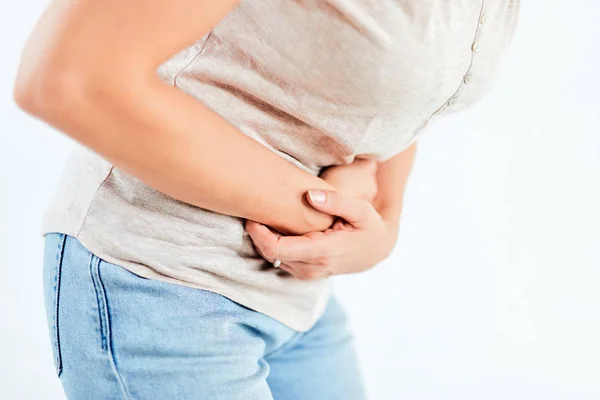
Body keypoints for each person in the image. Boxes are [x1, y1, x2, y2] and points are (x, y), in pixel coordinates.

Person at [14, 0, 519, 399]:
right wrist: (318, 215)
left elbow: (404, 94)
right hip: (160, 282)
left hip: (297, 298)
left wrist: (383, 221)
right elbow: (72, 81)